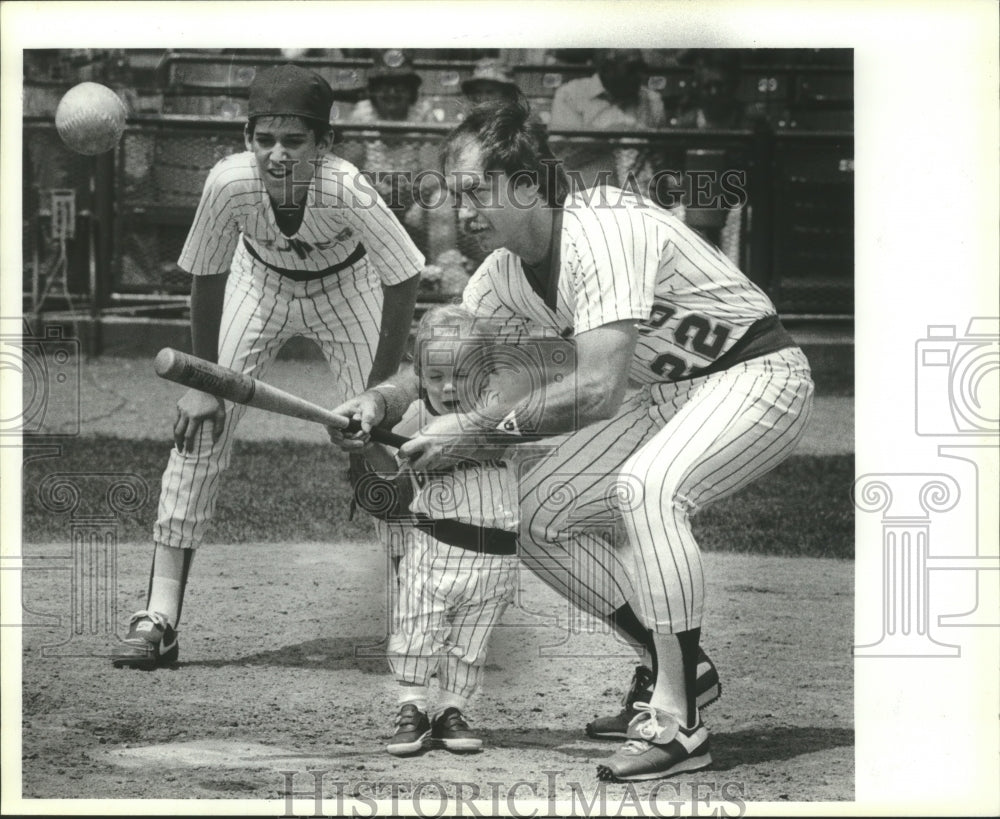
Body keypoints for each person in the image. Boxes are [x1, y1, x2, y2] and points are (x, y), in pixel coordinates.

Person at [329, 99, 814, 782]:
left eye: (476, 190)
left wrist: (470, 430)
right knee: (530, 516)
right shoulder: (502, 274)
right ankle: (679, 664)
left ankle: (678, 724)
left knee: (649, 489)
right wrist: (380, 401)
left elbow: (595, 388)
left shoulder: (604, 224)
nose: (461, 209)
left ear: (527, 184)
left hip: (756, 373)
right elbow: (443, 357)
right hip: (666, 395)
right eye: (454, 193)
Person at [111, 64, 424, 670]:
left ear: (325, 144)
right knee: (200, 431)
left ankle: (419, 616)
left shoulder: (347, 187)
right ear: (246, 138)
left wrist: (379, 393)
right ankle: (160, 616)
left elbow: (403, 276)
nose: (277, 154)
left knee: (386, 441)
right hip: (261, 286)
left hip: (350, 288)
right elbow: (206, 275)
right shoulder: (228, 181)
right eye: (264, 139)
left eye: (295, 141)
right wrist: (202, 384)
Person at [374, 304, 522, 756]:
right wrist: (367, 443)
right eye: (436, 376)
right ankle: (413, 708)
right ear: (420, 379)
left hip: (497, 559)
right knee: (417, 630)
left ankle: (451, 711)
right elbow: (385, 468)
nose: (449, 387)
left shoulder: (500, 417)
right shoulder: (419, 417)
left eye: (462, 374)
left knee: (470, 645)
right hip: (434, 550)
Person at [549, 49, 667, 192]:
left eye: (641, 68)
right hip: (587, 194)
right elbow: (561, 154)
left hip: (640, 197)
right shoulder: (571, 94)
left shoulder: (652, 100)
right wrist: (609, 137)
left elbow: (661, 159)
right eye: (632, 69)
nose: (640, 76)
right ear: (607, 69)